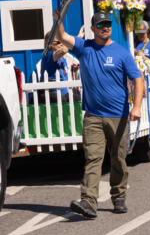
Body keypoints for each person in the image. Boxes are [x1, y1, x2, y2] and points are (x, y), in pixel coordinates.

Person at [54, 11, 143, 219]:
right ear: (93, 28)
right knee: (93, 158)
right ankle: (89, 202)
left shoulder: (121, 52)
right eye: (101, 24)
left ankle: (119, 195)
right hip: (93, 116)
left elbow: (137, 79)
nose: (106, 27)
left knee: (118, 159)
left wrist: (136, 106)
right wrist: (58, 19)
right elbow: (62, 36)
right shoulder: (84, 48)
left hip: (118, 116)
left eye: (108, 24)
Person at [40, 31, 71, 100]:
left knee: (78, 98)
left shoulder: (62, 58)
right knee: (62, 99)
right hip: (52, 91)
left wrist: (74, 71)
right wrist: (76, 39)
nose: (61, 44)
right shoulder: (49, 54)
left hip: (64, 91)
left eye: (62, 41)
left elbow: (65, 76)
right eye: (58, 42)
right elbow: (63, 51)